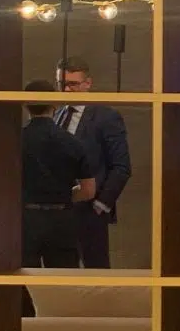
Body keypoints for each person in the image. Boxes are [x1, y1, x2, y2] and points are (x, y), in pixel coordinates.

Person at [55, 56, 131, 267]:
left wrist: (101, 204)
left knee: (95, 268)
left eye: (73, 84)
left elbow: (121, 166)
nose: (66, 90)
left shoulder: (105, 117)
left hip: (90, 210)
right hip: (59, 210)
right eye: (61, 84)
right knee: (61, 270)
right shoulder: (57, 114)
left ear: (87, 83)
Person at [21, 79, 96, 267]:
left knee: (23, 280)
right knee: (61, 279)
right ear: (54, 104)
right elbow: (88, 190)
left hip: (24, 220)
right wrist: (63, 195)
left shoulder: (15, 140)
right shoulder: (71, 142)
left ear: (25, 105)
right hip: (61, 220)